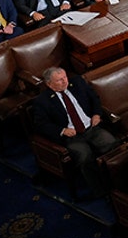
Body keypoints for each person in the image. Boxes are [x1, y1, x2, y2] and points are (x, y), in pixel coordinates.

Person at [30, 67, 118, 198]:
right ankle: (101, 192)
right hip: (72, 137)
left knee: (112, 144)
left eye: (65, 77)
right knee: (85, 157)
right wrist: (62, 130)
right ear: (49, 84)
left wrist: (96, 114)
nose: (64, 81)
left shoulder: (77, 83)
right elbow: (41, 125)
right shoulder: (42, 101)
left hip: (91, 128)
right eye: (59, 80)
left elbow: (94, 98)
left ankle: (117, 183)